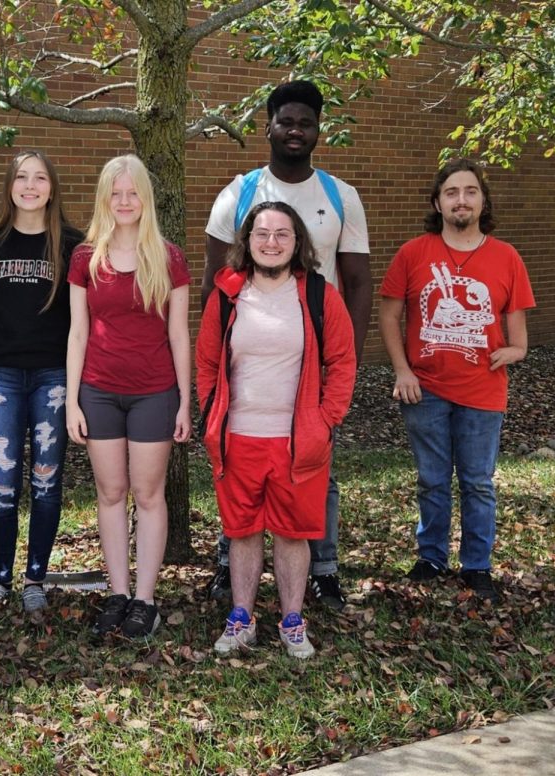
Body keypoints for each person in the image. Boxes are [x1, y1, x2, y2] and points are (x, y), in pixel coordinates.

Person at [201, 80, 371, 611]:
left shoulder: (341, 196)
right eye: (286, 121)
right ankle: (232, 568)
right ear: (268, 125)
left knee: (318, 468)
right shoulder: (239, 193)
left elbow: (359, 282)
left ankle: (324, 570)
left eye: (306, 122)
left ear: (319, 131)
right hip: (248, 359)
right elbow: (214, 283)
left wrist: (344, 364)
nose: (296, 130)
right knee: (239, 467)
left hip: (312, 363)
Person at [197, 202, 356, 659]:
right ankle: (242, 617)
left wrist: (327, 419)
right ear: (247, 241)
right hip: (237, 436)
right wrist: (211, 414)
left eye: (282, 234)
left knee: (292, 533)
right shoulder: (226, 295)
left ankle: (291, 620)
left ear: (297, 242)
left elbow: (342, 361)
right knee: (242, 530)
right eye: (262, 233)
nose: (271, 242)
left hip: (298, 441)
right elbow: (208, 361)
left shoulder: (319, 296)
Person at [378, 158, 534, 606]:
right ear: (437, 202)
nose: (461, 199)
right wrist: (402, 369)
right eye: (451, 192)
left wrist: (515, 350)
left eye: (470, 191)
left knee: (477, 481)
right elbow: (389, 313)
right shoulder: (413, 253)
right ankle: (431, 558)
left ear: (483, 201)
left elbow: (518, 328)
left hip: (483, 390)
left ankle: (477, 565)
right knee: (431, 478)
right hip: (424, 388)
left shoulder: (506, 256)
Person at [67, 154, 192, 639]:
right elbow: (77, 334)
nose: (124, 201)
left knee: (148, 494)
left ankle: (145, 599)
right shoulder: (85, 258)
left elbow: (179, 334)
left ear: (145, 198)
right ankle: (117, 593)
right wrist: (73, 400)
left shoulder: (168, 256)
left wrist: (185, 401)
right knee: (110, 493)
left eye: (132, 192)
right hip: (98, 392)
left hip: (153, 393)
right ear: (104, 198)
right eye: (115, 193)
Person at [0, 151, 84, 617]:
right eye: (22, 177)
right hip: (1, 375)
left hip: (54, 376)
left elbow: (79, 317)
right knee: (2, 484)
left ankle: (35, 577)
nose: (30, 186)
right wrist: (2, 348)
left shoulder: (73, 244)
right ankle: (0, 580)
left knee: (46, 481)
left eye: (40, 178)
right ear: (9, 186)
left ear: (52, 187)